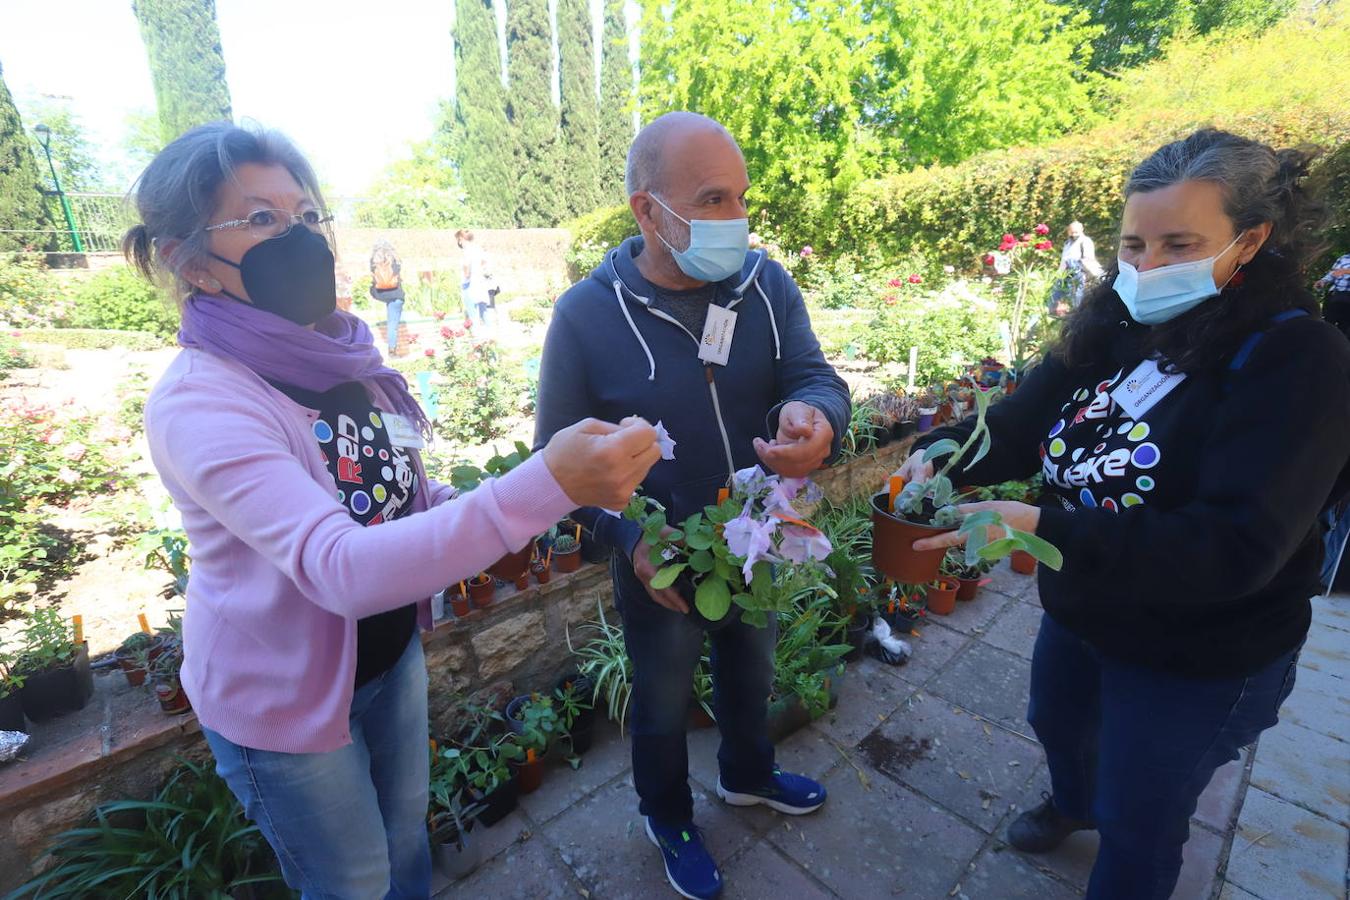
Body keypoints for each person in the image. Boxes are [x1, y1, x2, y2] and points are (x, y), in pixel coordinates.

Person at [125, 122, 662, 900]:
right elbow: (338, 567)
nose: (300, 236)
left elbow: (410, 501)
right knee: (352, 880)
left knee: (406, 838)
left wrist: (550, 497)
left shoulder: (347, 361)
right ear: (189, 262)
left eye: (307, 215)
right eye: (262, 219)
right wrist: (547, 483)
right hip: (283, 697)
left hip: (388, 658)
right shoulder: (202, 402)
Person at [893, 128, 1350, 900]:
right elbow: (1022, 422)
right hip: (1086, 608)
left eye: (1179, 243)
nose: (1148, 267)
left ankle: (1112, 833)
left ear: (1251, 239)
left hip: (1200, 652)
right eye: (1134, 245)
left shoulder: (1298, 360)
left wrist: (1046, 528)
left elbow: (1233, 546)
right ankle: (1072, 804)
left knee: (1142, 819)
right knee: (1058, 724)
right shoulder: (1116, 326)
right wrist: (941, 453)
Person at [534, 111, 850, 900]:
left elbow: (816, 378)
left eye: (741, 198)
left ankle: (749, 774)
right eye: (713, 199)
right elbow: (555, 469)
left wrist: (820, 420)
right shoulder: (585, 316)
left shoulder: (765, 287)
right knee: (663, 698)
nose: (735, 219)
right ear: (648, 210)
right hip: (661, 558)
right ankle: (667, 813)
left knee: (753, 670)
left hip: (753, 537)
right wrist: (629, 536)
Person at [1056, 220, 1104, 310]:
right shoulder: (1067, 244)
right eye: (1071, 232)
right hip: (1068, 275)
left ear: (1081, 230)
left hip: (1083, 275)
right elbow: (1064, 261)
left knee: (1080, 301)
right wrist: (1058, 276)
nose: (1073, 234)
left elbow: (1088, 260)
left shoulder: (1085, 241)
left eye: (1076, 232)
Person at [369, 240, 405, 356]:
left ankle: (391, 350)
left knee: (391, 322)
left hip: (380, 294)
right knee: (392, 324)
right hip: (396, 295)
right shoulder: (396, 261)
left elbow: (374, 279)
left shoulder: (374, 262)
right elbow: (398, 277)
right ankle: (392, 351)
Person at [455, 229, 494, 329]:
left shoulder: (466, 251)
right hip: (481, 282)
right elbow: (485, 262)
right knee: (484, 312)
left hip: (469, 284)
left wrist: (467, 274)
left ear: (461, 239)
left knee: (472, 315)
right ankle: (491, 337)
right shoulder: (478, 249)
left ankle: (477, 340)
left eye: (458, 240)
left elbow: (466, 268)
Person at [1314, 250, 1350, 336]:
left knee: (1345, 328)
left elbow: (1342, 271)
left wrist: (1346, 271)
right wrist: (1323, 281)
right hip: (1336, 295)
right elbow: (1332, 274)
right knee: (1327, 324)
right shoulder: (1344, 258)